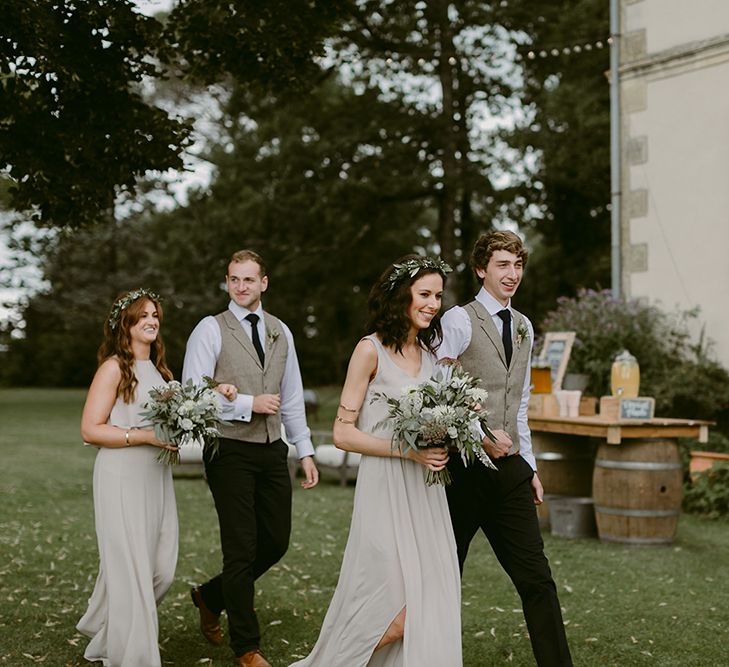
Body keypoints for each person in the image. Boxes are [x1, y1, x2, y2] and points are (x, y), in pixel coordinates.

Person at [290, 255, 462, 667]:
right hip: (385, 487)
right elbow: (342, 433)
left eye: (438, 295)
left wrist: (449, 432)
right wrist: (409, 451)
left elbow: (432, 419)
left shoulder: (429, 355)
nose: (433, 303)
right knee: (392, 603)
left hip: (426, 492)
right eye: (424, 294)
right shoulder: (369, 351)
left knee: (432, 593)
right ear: (401, 296)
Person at [438, 230, 573, 666]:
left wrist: (529, 465)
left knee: (537, 579)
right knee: (443, 578)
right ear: (481, 269)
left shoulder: (524, 325)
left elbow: (520, 403)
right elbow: (438, 395)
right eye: (502, 265)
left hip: (510, 472)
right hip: (461, 472)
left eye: (517, 265)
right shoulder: (458, 320)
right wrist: (479, 435)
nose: (512, 274)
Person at [183, 249, 319, 667]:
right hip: (228, 450)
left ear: (264, 282)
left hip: (272, 449)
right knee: (241, 549)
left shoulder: (281, 331)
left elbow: (292, 396)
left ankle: (211, 596)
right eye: (233, 279)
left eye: (249, 279)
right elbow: (193, 394)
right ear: (227, 282)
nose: (240, 287)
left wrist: (306, 450)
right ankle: (247, 647)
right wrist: (246, 403)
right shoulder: (210, 329)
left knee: (275, 542)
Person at [77, 288, 180, 667]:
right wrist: (143, 436)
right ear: (127, 324)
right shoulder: (113, 369)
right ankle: (133, 656)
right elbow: (90, 430)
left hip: (155, 479)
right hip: (120, 476)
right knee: (132, 568)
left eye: (155, 314)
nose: (152, 320)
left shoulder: (160, 372)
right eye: (142, 316)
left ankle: (111, 632)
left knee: (161, 569)